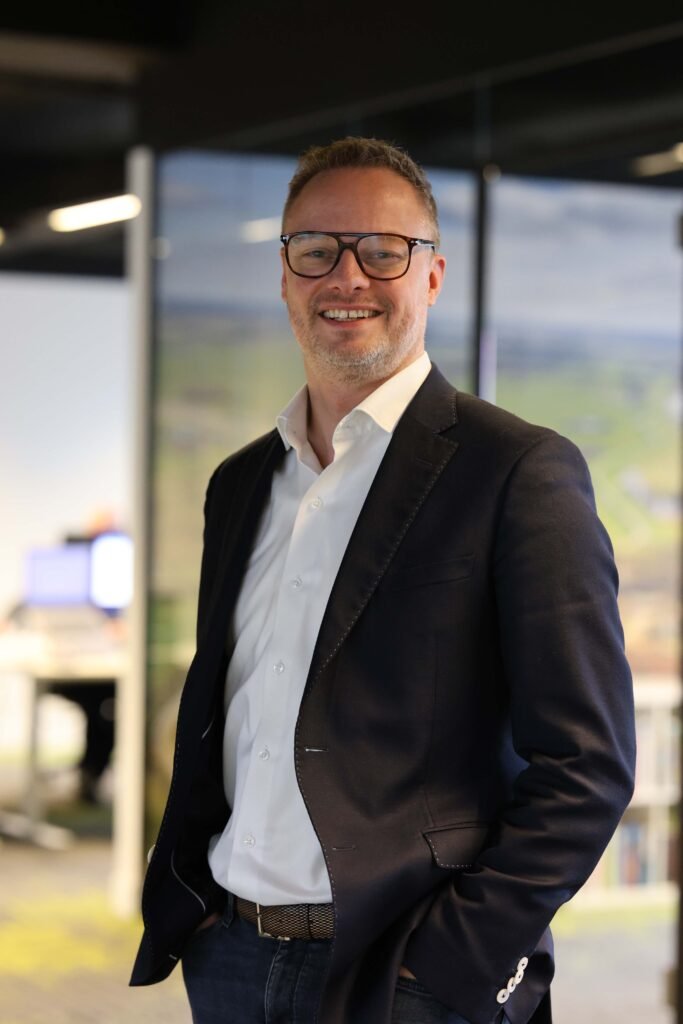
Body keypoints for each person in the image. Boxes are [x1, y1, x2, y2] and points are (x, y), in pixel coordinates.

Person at [130, 138, 636, 1024]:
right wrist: (195, 913)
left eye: (383, 250)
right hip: (229, 955)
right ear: (284, 276)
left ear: (432, 276)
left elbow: (585, 766)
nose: (347, 275)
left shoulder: (517, 471)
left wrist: (445, 968)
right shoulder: (240, 484)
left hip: (401, 969)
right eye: (315, 249)